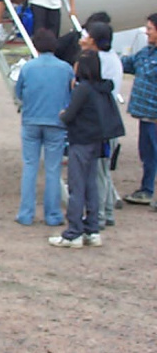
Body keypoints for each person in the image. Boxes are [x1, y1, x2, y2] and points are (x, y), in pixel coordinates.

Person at [50, 50, 117, 248]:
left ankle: (74, 232)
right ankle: (92, 229)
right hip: (97, 140)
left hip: (81, 140)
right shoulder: (102, 88)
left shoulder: (83, 89)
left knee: (76, 186)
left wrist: (63, 114)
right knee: (91, 185)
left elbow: (69, 115)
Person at [14, 29, 74, 226]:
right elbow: (71, 93)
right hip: (56, 121)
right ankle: (53, 214)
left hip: (31, 120)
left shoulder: (28, 68)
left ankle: (26, 213)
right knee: (52, 169)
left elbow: (19, 92)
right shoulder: (65, 68)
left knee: (30, 166)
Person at [80, 22, 124, 226]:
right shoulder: (112, 58)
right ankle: (107, 212)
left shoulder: (98, 61)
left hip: (100, 123)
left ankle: (98, 216)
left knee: (98, 171)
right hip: (110, 120)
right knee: (104, 171)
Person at [121, 14, 157, 207]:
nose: (146, 32)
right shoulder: (146, 53)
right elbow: (127, 63)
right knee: (147, 154)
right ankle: (147, 190)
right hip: (145, 115)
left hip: (155, 116)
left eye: (150, 28)